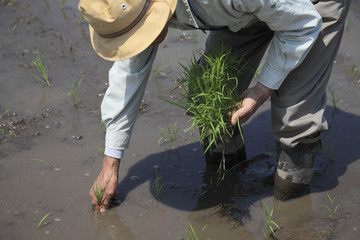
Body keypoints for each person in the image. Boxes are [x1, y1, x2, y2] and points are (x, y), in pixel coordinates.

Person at [78, 0, 351, 212]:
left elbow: (303, 22)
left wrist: (261, 90)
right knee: (209, 94)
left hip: (308, 9)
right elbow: (129, 73)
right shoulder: (132, 8)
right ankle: (226, 177)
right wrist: (110, 164)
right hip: (249, 8)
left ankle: (291, 209)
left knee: (295, 114)